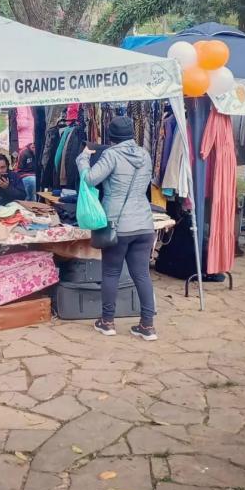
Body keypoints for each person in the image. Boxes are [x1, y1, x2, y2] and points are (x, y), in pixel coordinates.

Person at [76, 116, 157, 341]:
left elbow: (90, 180)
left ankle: (107, 322)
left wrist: (83, 157)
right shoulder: (145, 154)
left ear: (111, 136)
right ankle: (147, 325)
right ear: (131, 134)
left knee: (111, 272)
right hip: (144, 223)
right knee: (142, 274)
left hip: (118, 225)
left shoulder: (111, 155)